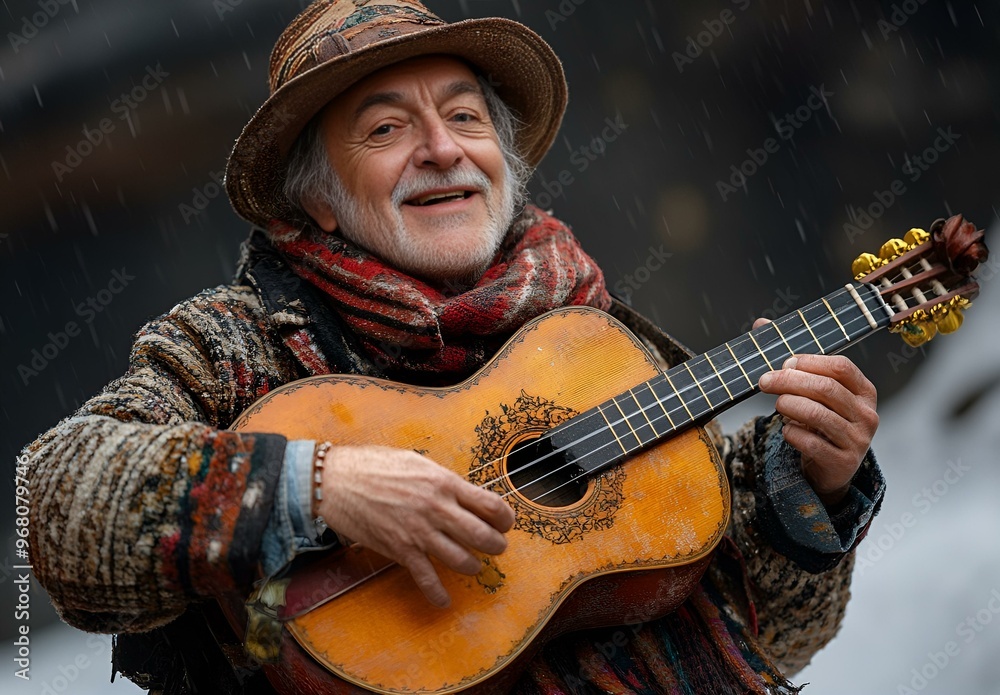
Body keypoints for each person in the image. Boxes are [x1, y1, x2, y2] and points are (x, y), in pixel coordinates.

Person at [23, 1, 884, 693]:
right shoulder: (232, 345)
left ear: (501, 160)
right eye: (386, 129)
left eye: (465, 116)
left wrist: (812, 494)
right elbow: (54, 505)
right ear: (317, 198)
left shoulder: (597, 339)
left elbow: (779, 639)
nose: (442, 149)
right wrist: (315, 484)